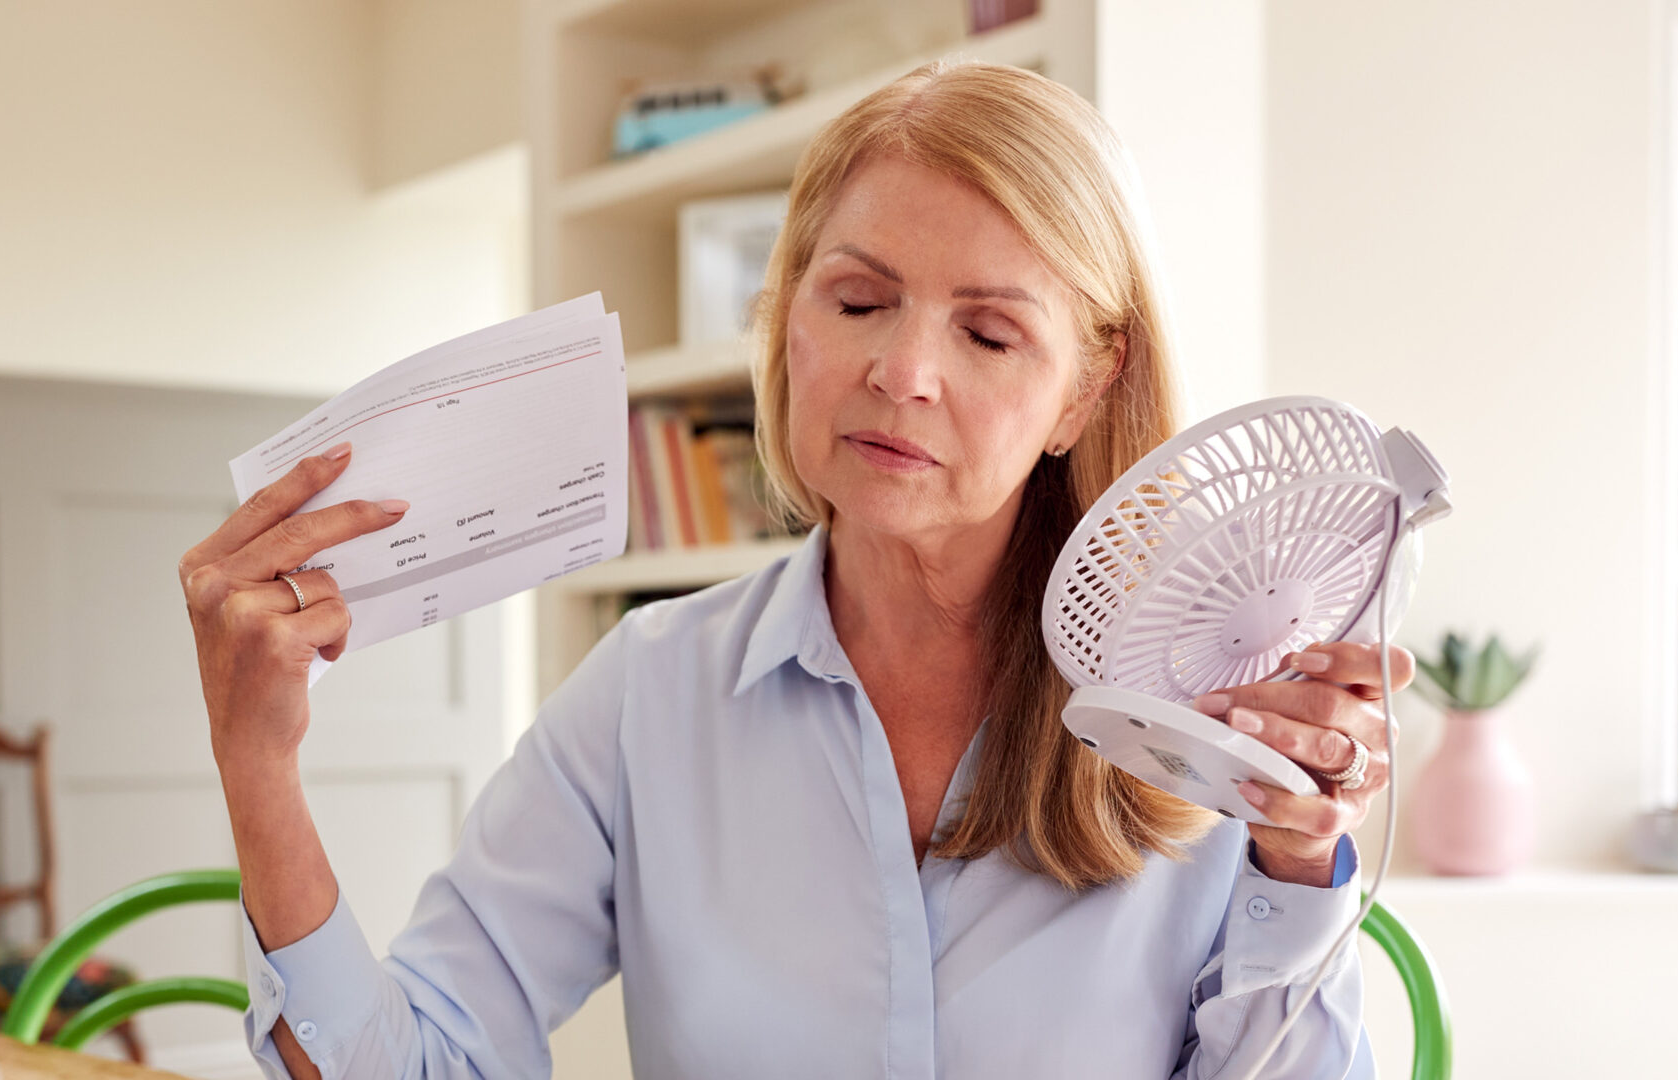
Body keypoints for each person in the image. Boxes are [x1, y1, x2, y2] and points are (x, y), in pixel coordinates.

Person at [178, 60, 1408, 1080]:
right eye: (860, 301)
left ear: (1085, 389)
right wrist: (259, 765)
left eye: (987, 332)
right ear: (787, 319)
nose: (902, 372)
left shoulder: (1196, 708)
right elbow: (411, 1064)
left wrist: (1295, 867)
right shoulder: (647, 699)